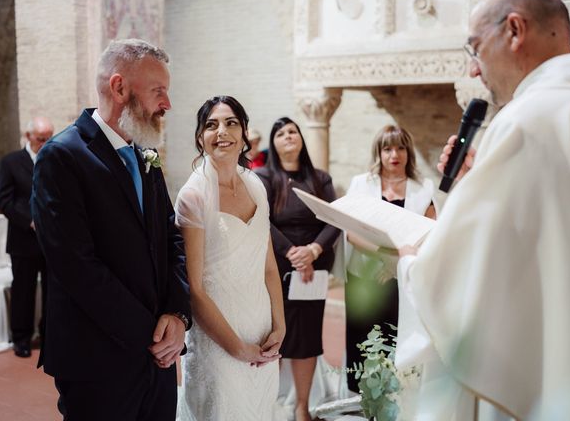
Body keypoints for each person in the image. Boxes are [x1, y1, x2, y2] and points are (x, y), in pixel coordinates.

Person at [394, 0, 570, 420]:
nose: (473, 69)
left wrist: (411, 262)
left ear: (515, 31)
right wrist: (476, 180)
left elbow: (463, 277)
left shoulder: (526, 120)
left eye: (475, 48)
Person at [30, 39, 191, 421]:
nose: (166, 104)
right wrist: (151, 334)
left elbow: (172, 238)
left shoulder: (144, 154)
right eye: (158, 91)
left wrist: (177, 314)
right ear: (119, 88)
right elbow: (77, 267)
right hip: (97, 359)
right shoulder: (62, 156)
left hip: (158, 358)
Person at [175, 96, 285, 420]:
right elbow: (194, 288)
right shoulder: (193, 196)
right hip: (218, 343)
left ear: (244, 132)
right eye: (211, 125)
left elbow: (267, 266)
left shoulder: (256, 186)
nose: (221, 131)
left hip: (262, 332)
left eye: (230, 122)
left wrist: (280, 325)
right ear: (200, 138)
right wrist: (236, 347)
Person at [335, 125, 435, 394]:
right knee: (363, 342)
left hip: (401, 280)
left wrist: (396, 266)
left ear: (408, 152)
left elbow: (428, 234)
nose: (395, 154)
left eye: (401, 147)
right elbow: (352, 234)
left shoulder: (423, 189)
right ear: (378, 152)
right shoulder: (360, 184)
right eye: (387, 148)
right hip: (363, 278)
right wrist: (388, 259)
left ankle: (394, 401)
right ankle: (364, 401)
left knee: (395, 340)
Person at [255, 117, 340, 421]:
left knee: (306, 338)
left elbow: (335, 218)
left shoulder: (320, 178)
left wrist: (313, 251)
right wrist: (291, 252)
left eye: (293, 131)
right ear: (273, 143)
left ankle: (302, 407)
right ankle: (268, 407)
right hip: (276, 270)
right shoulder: (263, 177)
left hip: (312, 271)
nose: (288, 136)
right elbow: (260, 220)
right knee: (273, 337)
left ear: (301, 139)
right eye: (280, 132)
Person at [0, 116, 54, 358]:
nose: (45, 142)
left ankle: (48, 335)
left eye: (49, 137)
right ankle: (21, 338)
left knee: (52, 291)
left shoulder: (55, 158)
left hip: (51, 240)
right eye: (41, 138)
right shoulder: (11, 162)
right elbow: (4, 200)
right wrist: (30, 220)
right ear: (28, 136)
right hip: (23, 239)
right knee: (23, 291)